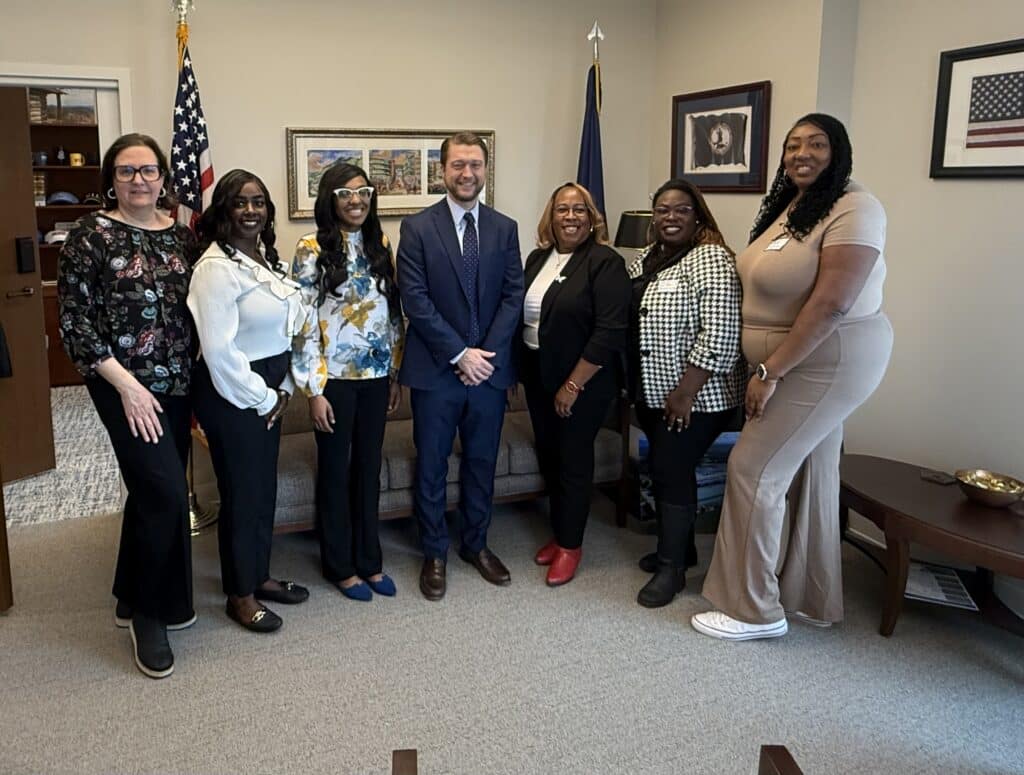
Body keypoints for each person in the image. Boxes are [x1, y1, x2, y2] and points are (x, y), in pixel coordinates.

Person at [693, 113, 893, 641]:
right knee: (810, 467)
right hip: (792, 360)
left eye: (817, 144)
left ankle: (753, 610)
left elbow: (831, 303)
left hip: (824, 359)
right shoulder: (797, 206)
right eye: (793, 145)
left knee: (753, 468)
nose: (802, 153)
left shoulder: (856, 207)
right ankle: (806, 592)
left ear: (839, 151)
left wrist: (769, 369)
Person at [57, 133, 196, 678]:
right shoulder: (89, 236)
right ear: (110, 179)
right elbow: (76, 325)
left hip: (180, 383)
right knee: (163, 493)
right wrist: (128, 387)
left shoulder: (183, 237)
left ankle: (125, 590)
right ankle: (148, 613)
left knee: (153, 488)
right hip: (122, 385)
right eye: (125, 171)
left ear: (163, 177)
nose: (138, 180)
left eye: (147, 170)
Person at [396, 131, 524, 601]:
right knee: (430, 464)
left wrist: (484, 355)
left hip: (488, 373)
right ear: (442, 170)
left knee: (481, 463)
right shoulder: (417, 228)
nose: (466, 173)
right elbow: (416, 300)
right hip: (435, 372)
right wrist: (459, 354)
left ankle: (476, 544)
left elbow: (513, 295)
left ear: (485, 170)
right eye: (457, 165)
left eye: (475, 164)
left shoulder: (504, 227)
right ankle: (434, 551)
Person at [188, 169, 311, 633]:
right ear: (223, 210)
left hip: (268, 387)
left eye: (258, 202)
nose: (251, 211)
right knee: (241, 495)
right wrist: (264, 397)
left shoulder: (261, 261)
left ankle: (259, 575)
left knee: (262, 491)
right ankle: (239, 595)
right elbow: (219, 352)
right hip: (234, 390)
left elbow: (286, 326)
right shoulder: (214, 269)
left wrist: (282, 388)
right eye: (240, 202)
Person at [627, 179, 745, 608]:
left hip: (698, 396)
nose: (670, 217)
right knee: (663, 468)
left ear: (697, 215)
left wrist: (685, 392)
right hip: (653, 392)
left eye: (680, 210)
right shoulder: (646, 259)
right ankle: (681, 549)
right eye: (662, 210)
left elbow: (722, 332)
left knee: (671, 468)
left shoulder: (710, 259)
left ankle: (672, 570)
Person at [292, 162, 404, 601]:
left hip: (376, 377)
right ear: (330, 199)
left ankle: (370, 561)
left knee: (368, 470)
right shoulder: (310, 247)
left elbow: (392, 314)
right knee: (336, 472)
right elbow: (300, 323)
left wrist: (394, 372)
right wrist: (313, 390)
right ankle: (339, 566)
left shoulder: (381, 243)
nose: (356, 200)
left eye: (363, 191)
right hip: (333, 380)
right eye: (345, 193)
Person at [519, 182, 629, 586]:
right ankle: (559, 532)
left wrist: (573, 385)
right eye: (562, 209)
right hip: (537, 373)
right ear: (551, 216)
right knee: (550, 455)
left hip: (581, 380)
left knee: (573, 460)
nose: (570, 216)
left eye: (579, 209)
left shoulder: (605, 262)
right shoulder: (537, 259)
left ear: (591, 217)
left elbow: (609, 330)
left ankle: (571, 545)